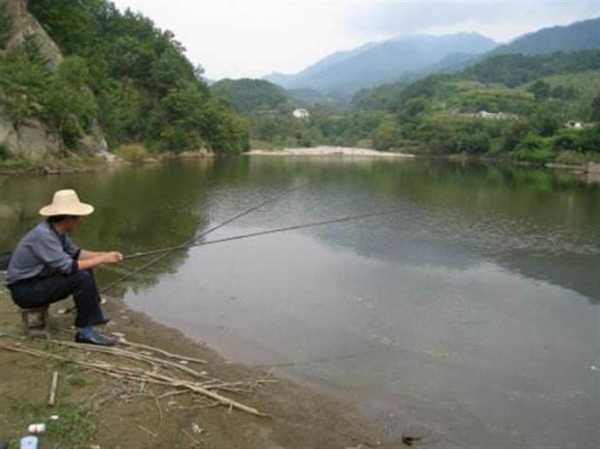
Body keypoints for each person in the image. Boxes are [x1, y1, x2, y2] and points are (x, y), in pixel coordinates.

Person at [6, 189, 123, 346]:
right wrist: (101, 259)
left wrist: (104, 255)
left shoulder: (57, 231)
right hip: (25, 290)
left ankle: (93, 313)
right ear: (68, 218)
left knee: (85, 269)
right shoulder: (44, 235)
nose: (80, 221)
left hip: (37, 281)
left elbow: (77, 254)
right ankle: (85, 332)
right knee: (81, 277)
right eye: (77, 218)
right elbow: (69, 267)